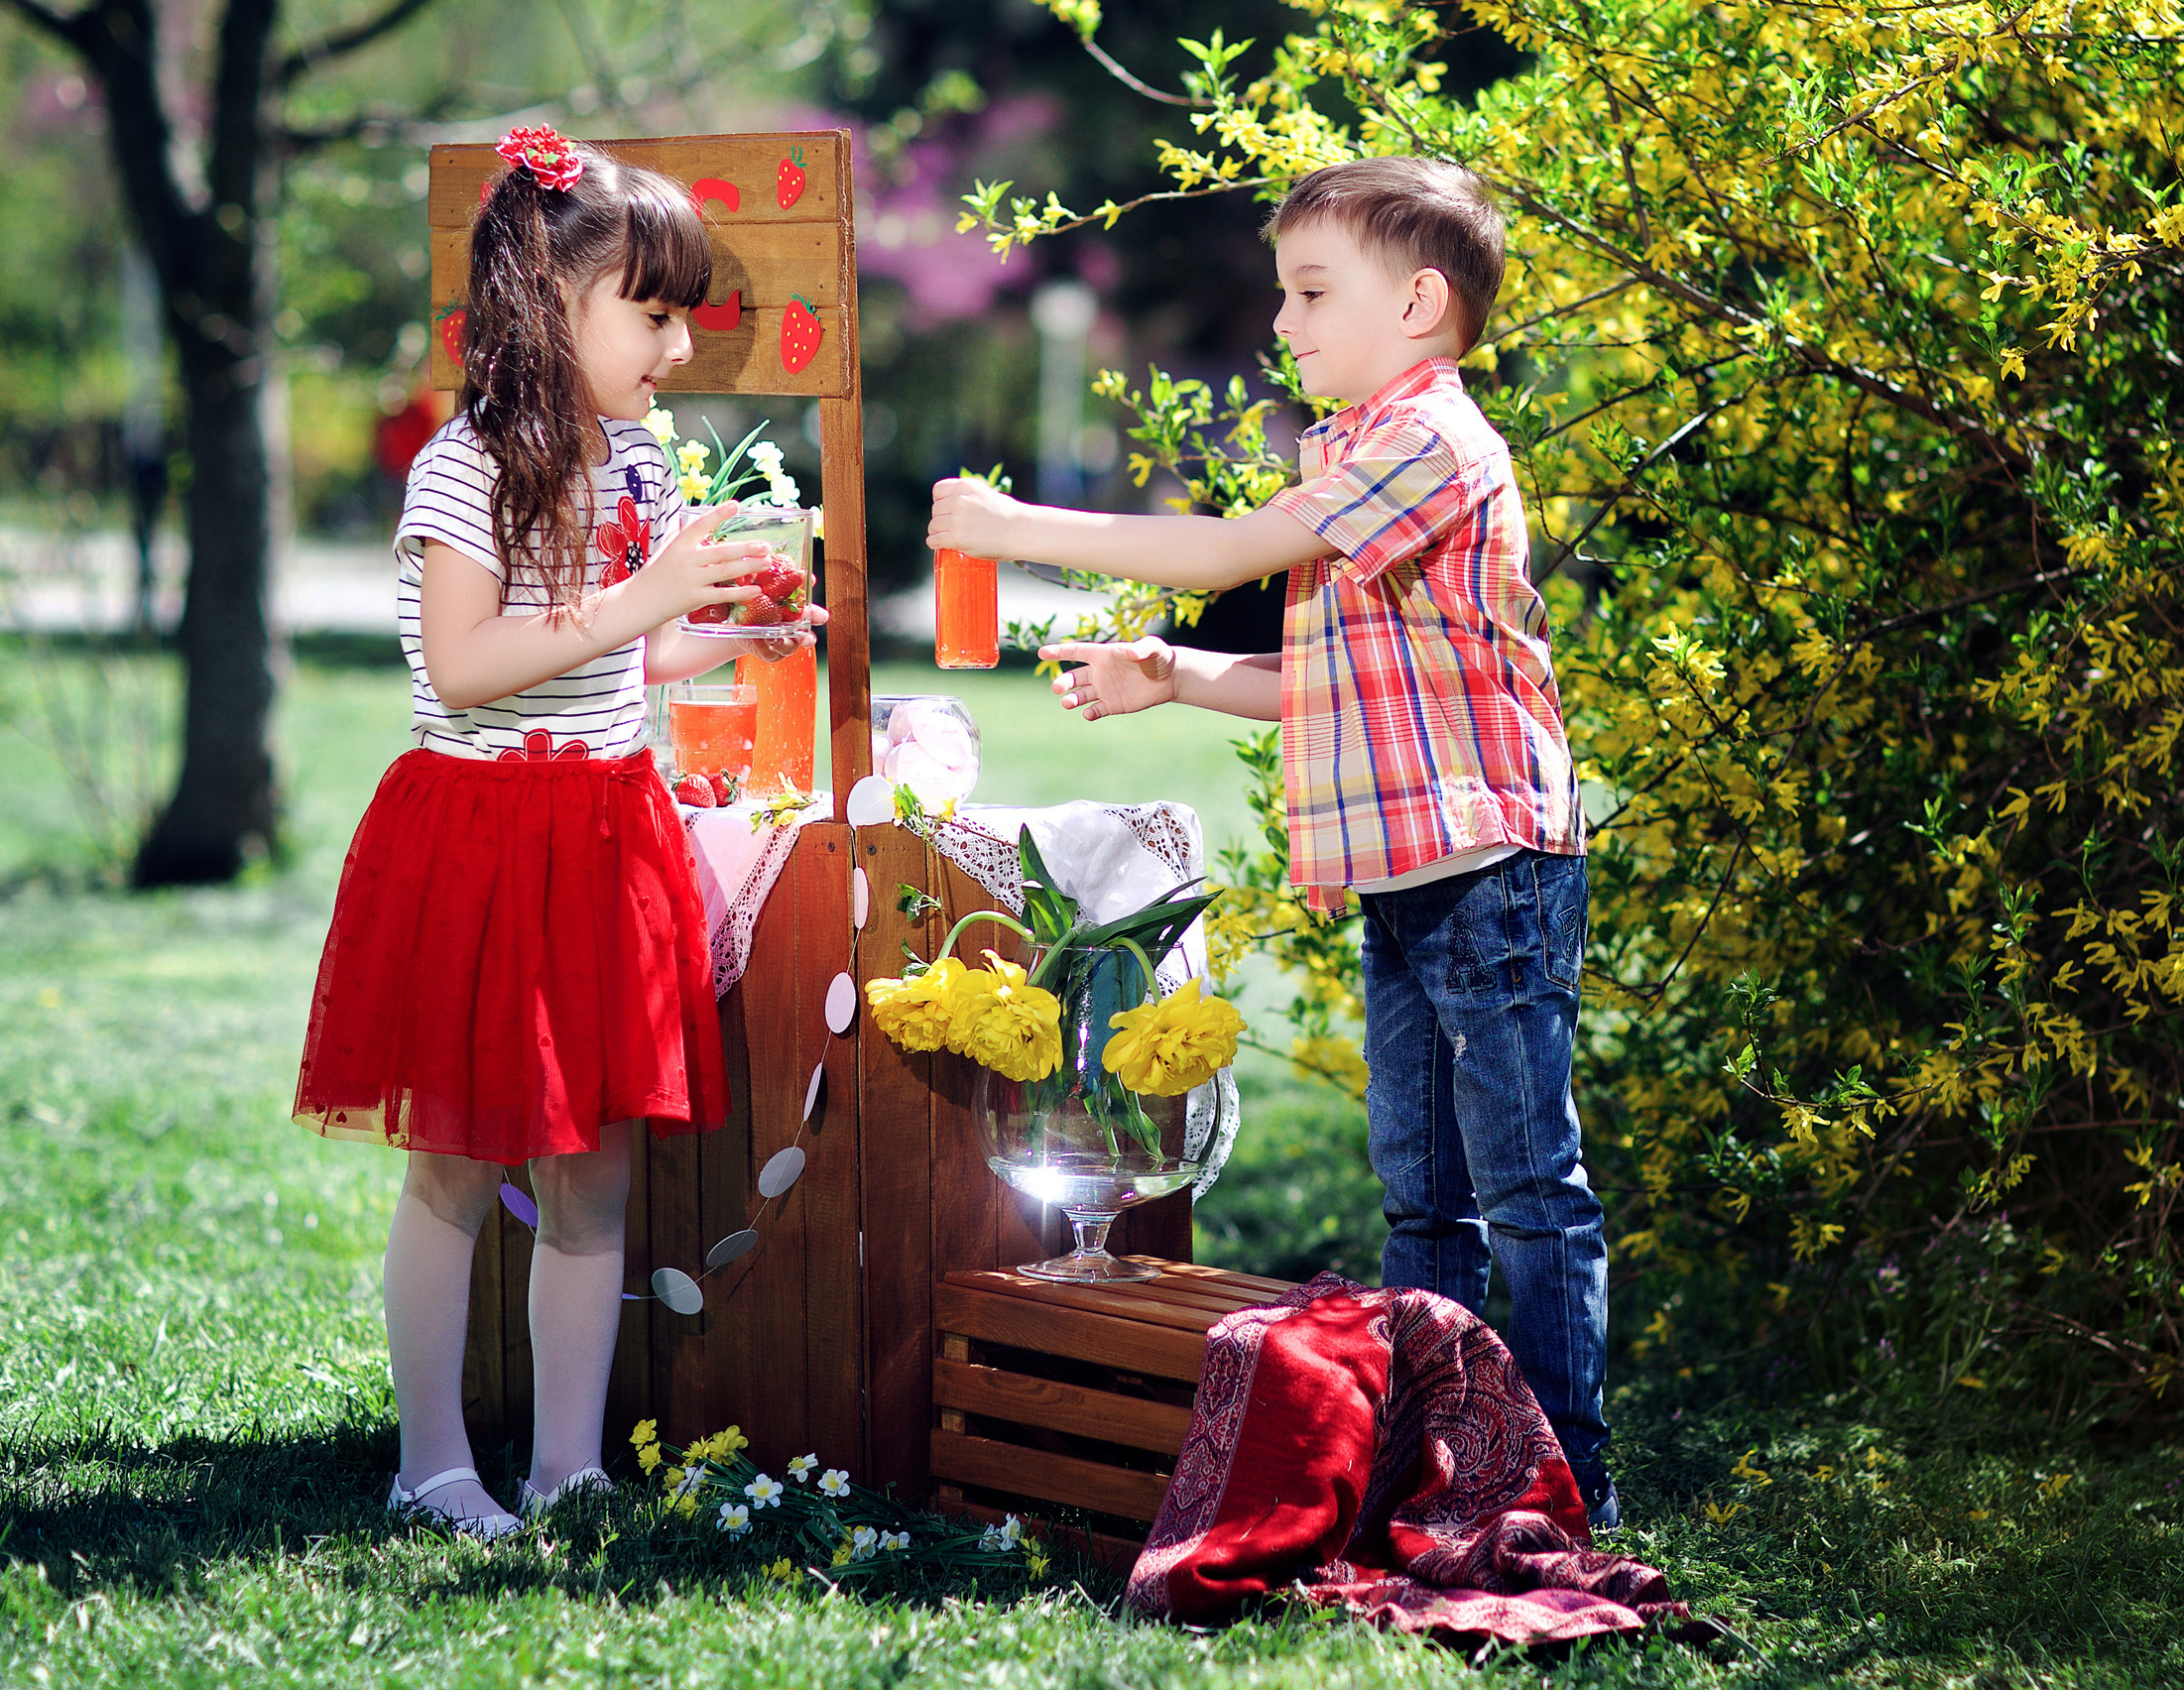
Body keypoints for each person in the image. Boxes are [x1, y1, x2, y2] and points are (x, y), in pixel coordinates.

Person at [927, 156, 1614, 1526]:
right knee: (1424, 1201)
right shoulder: (1357, 447)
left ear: (1419, 303)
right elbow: (1340, 677)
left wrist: (1016, 531)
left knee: (1530, 1192)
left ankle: (1561, 1478)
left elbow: (1227, 552)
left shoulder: (1431, 442)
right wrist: (1173, 676)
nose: (1285, 325)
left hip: (1495, 877)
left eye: (1311, 293)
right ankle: (1442, 1457)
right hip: (1413, 883)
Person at [295, 127, 820, 1537]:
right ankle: (432, 1466)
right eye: (649, 314)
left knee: (593, 1168)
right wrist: (645, 606)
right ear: (546, 298)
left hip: (605, 830)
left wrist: (713, 634)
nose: (674, 348)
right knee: (460, 1164)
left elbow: (605, 664)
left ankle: (568, 1465)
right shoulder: (463, 467)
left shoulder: (638, 453)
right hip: (482, 836)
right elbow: (463, 667)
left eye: (680, 317)